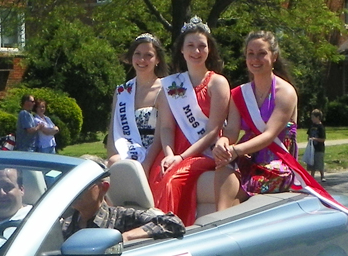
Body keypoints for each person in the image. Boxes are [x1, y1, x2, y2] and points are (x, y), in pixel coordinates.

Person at [147, 16, 230, 226]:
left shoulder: (217, 83)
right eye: (190, 46)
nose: (196, 51)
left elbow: (213, 132)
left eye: (202, 46)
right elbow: (166, 127)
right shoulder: (172, 85)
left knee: (172, 179)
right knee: (157, 174)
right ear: (182, 51)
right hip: (174, 151)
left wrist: (181, 157)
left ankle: (170, 231)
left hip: (205, 153)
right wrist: (169, 155)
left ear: (209, 49)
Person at [212, 30, 298, 211]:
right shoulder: (239, 94)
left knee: (245, 189)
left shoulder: (285, 92)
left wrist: (236, 150)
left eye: (262, 54)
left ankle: (225, 223)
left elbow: (269, 135)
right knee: (223, 167)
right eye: (250, 54)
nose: (255, 59)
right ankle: (221, 220)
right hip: (248, 157)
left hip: (277, 162)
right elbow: (232, 132)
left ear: (274, 56)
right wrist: (223, 142)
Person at [62, 156, 185, 242]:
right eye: (72, 183)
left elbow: (173, 223)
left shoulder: (121, 218)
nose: (75, 190)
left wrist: (124, 238)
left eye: (83, 184)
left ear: (103, 188)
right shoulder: (63, 225)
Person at [106, 33, 169, 171]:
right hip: (127, 154)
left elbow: (163, 134)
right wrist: (112, 156)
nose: (142, 59)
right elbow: (113, 131)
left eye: (148, 55)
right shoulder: (122, 92)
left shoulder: (165, 89)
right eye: (137, 54)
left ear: (157, 59)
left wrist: (146, 164)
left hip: (155, 156)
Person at [307, 109, 326, 182]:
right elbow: (309, 134)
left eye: (313, 117)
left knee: (319, 162)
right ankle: (312, 177)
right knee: (312, 163)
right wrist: (309, 139)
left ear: (318, 117)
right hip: (312, 148)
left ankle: (322, 176)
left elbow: (323, 139)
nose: (312, 119)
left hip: (319, 148)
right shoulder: (311, 126)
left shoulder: (321, 127)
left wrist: (315, 139)